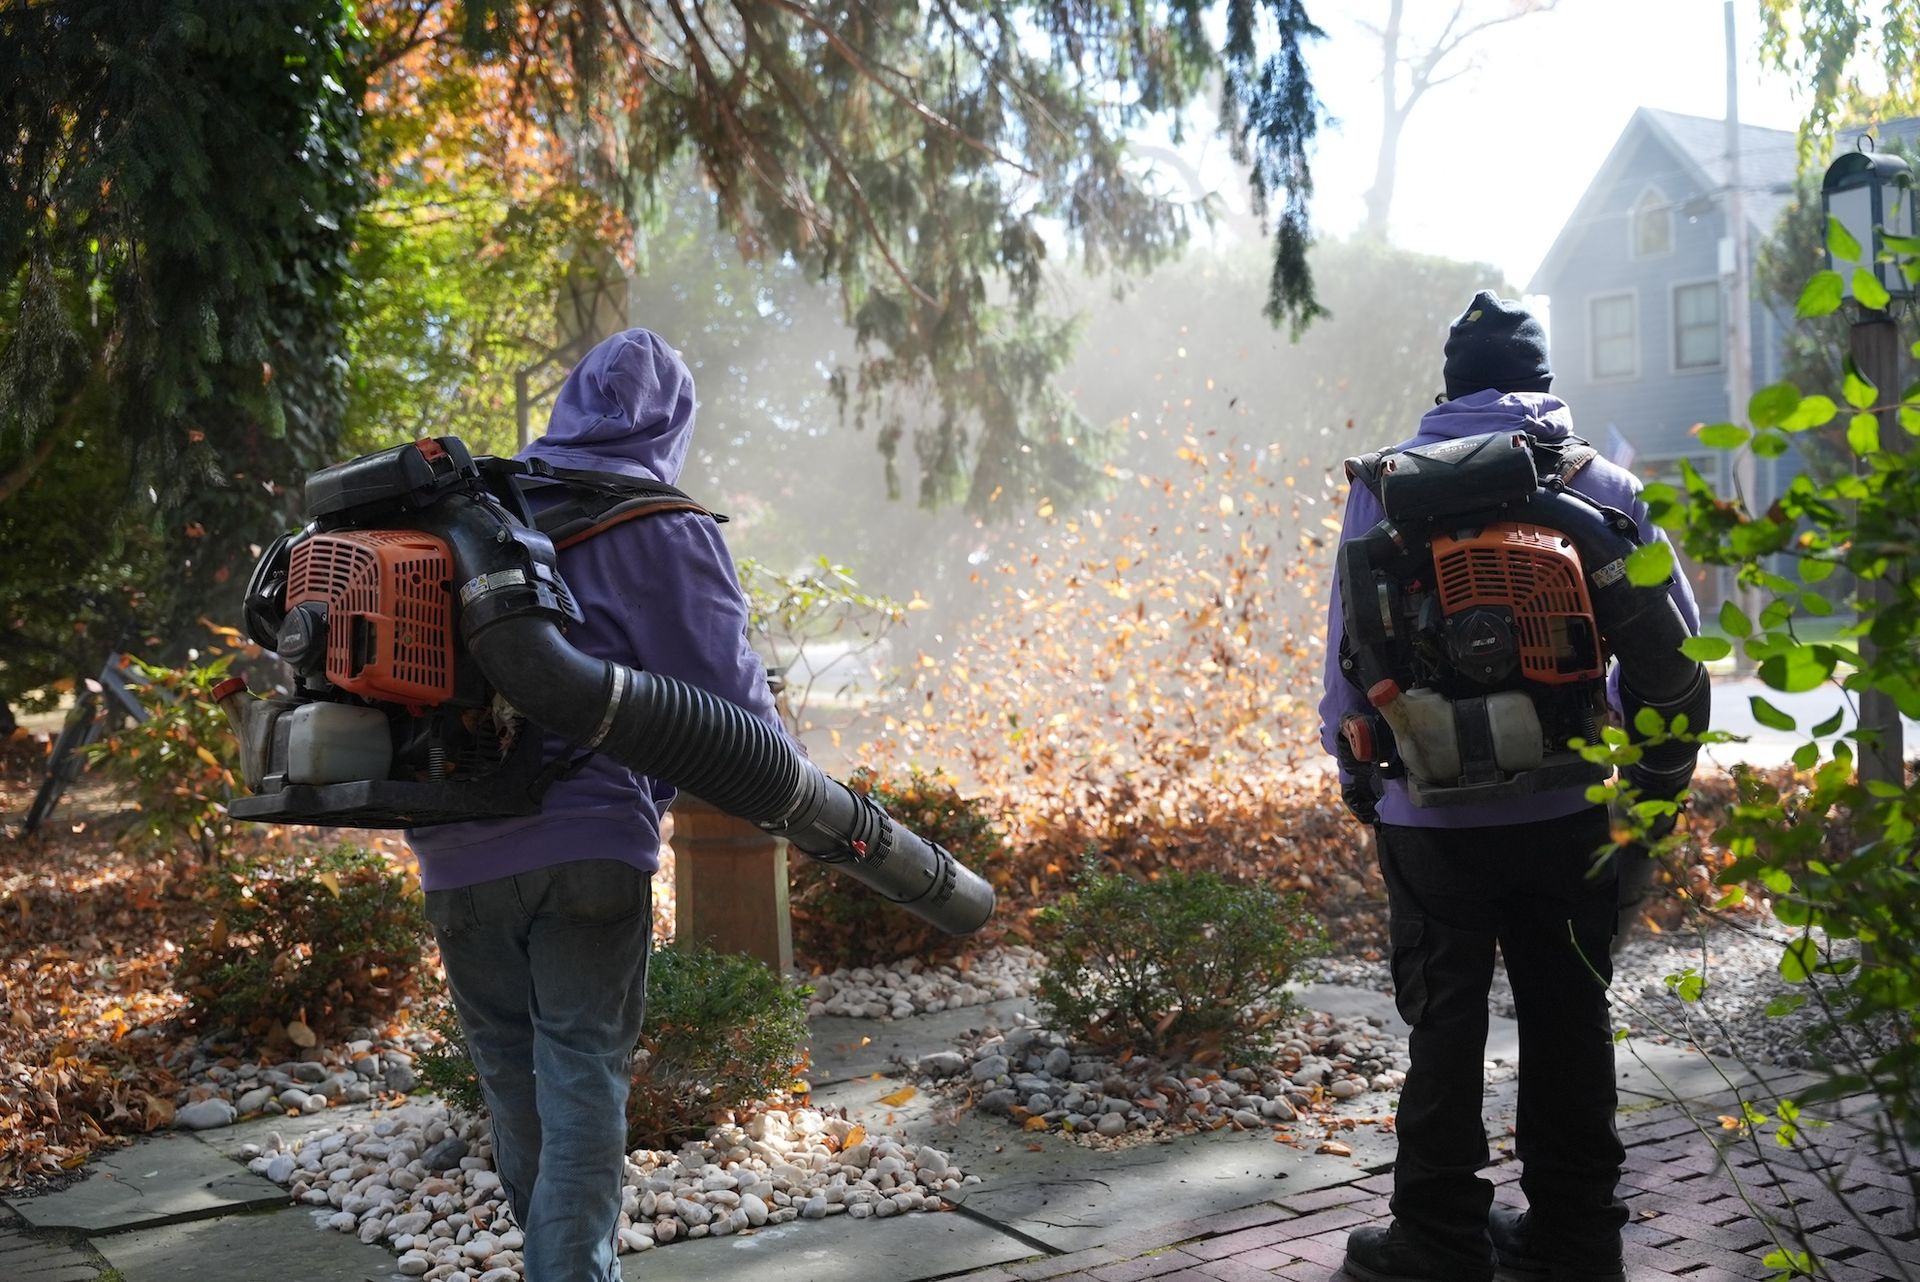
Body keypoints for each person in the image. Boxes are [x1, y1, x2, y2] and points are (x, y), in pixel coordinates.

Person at [1321, 292, 1701, 1282]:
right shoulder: (1605, 484)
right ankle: (1574, 1235)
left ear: (1448, 389)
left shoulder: (1385, 484)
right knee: (1568, 1013)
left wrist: (1358, 774)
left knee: (1446, 1014)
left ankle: (1439, 1235)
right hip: (1567, 808)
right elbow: (1672, 652)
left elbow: (1347, 655)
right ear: (1543, 386)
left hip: (1427, 810)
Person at [408, 329, 783, 1282]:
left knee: (507, 1069)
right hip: (586, 842)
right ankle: (570, 1271)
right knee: (582, 1068)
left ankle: (560, 1261)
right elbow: (732, 705)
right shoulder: (659, 522)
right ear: (673, 423)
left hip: (451, 843)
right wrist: (803, 794)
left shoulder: (480, 510)